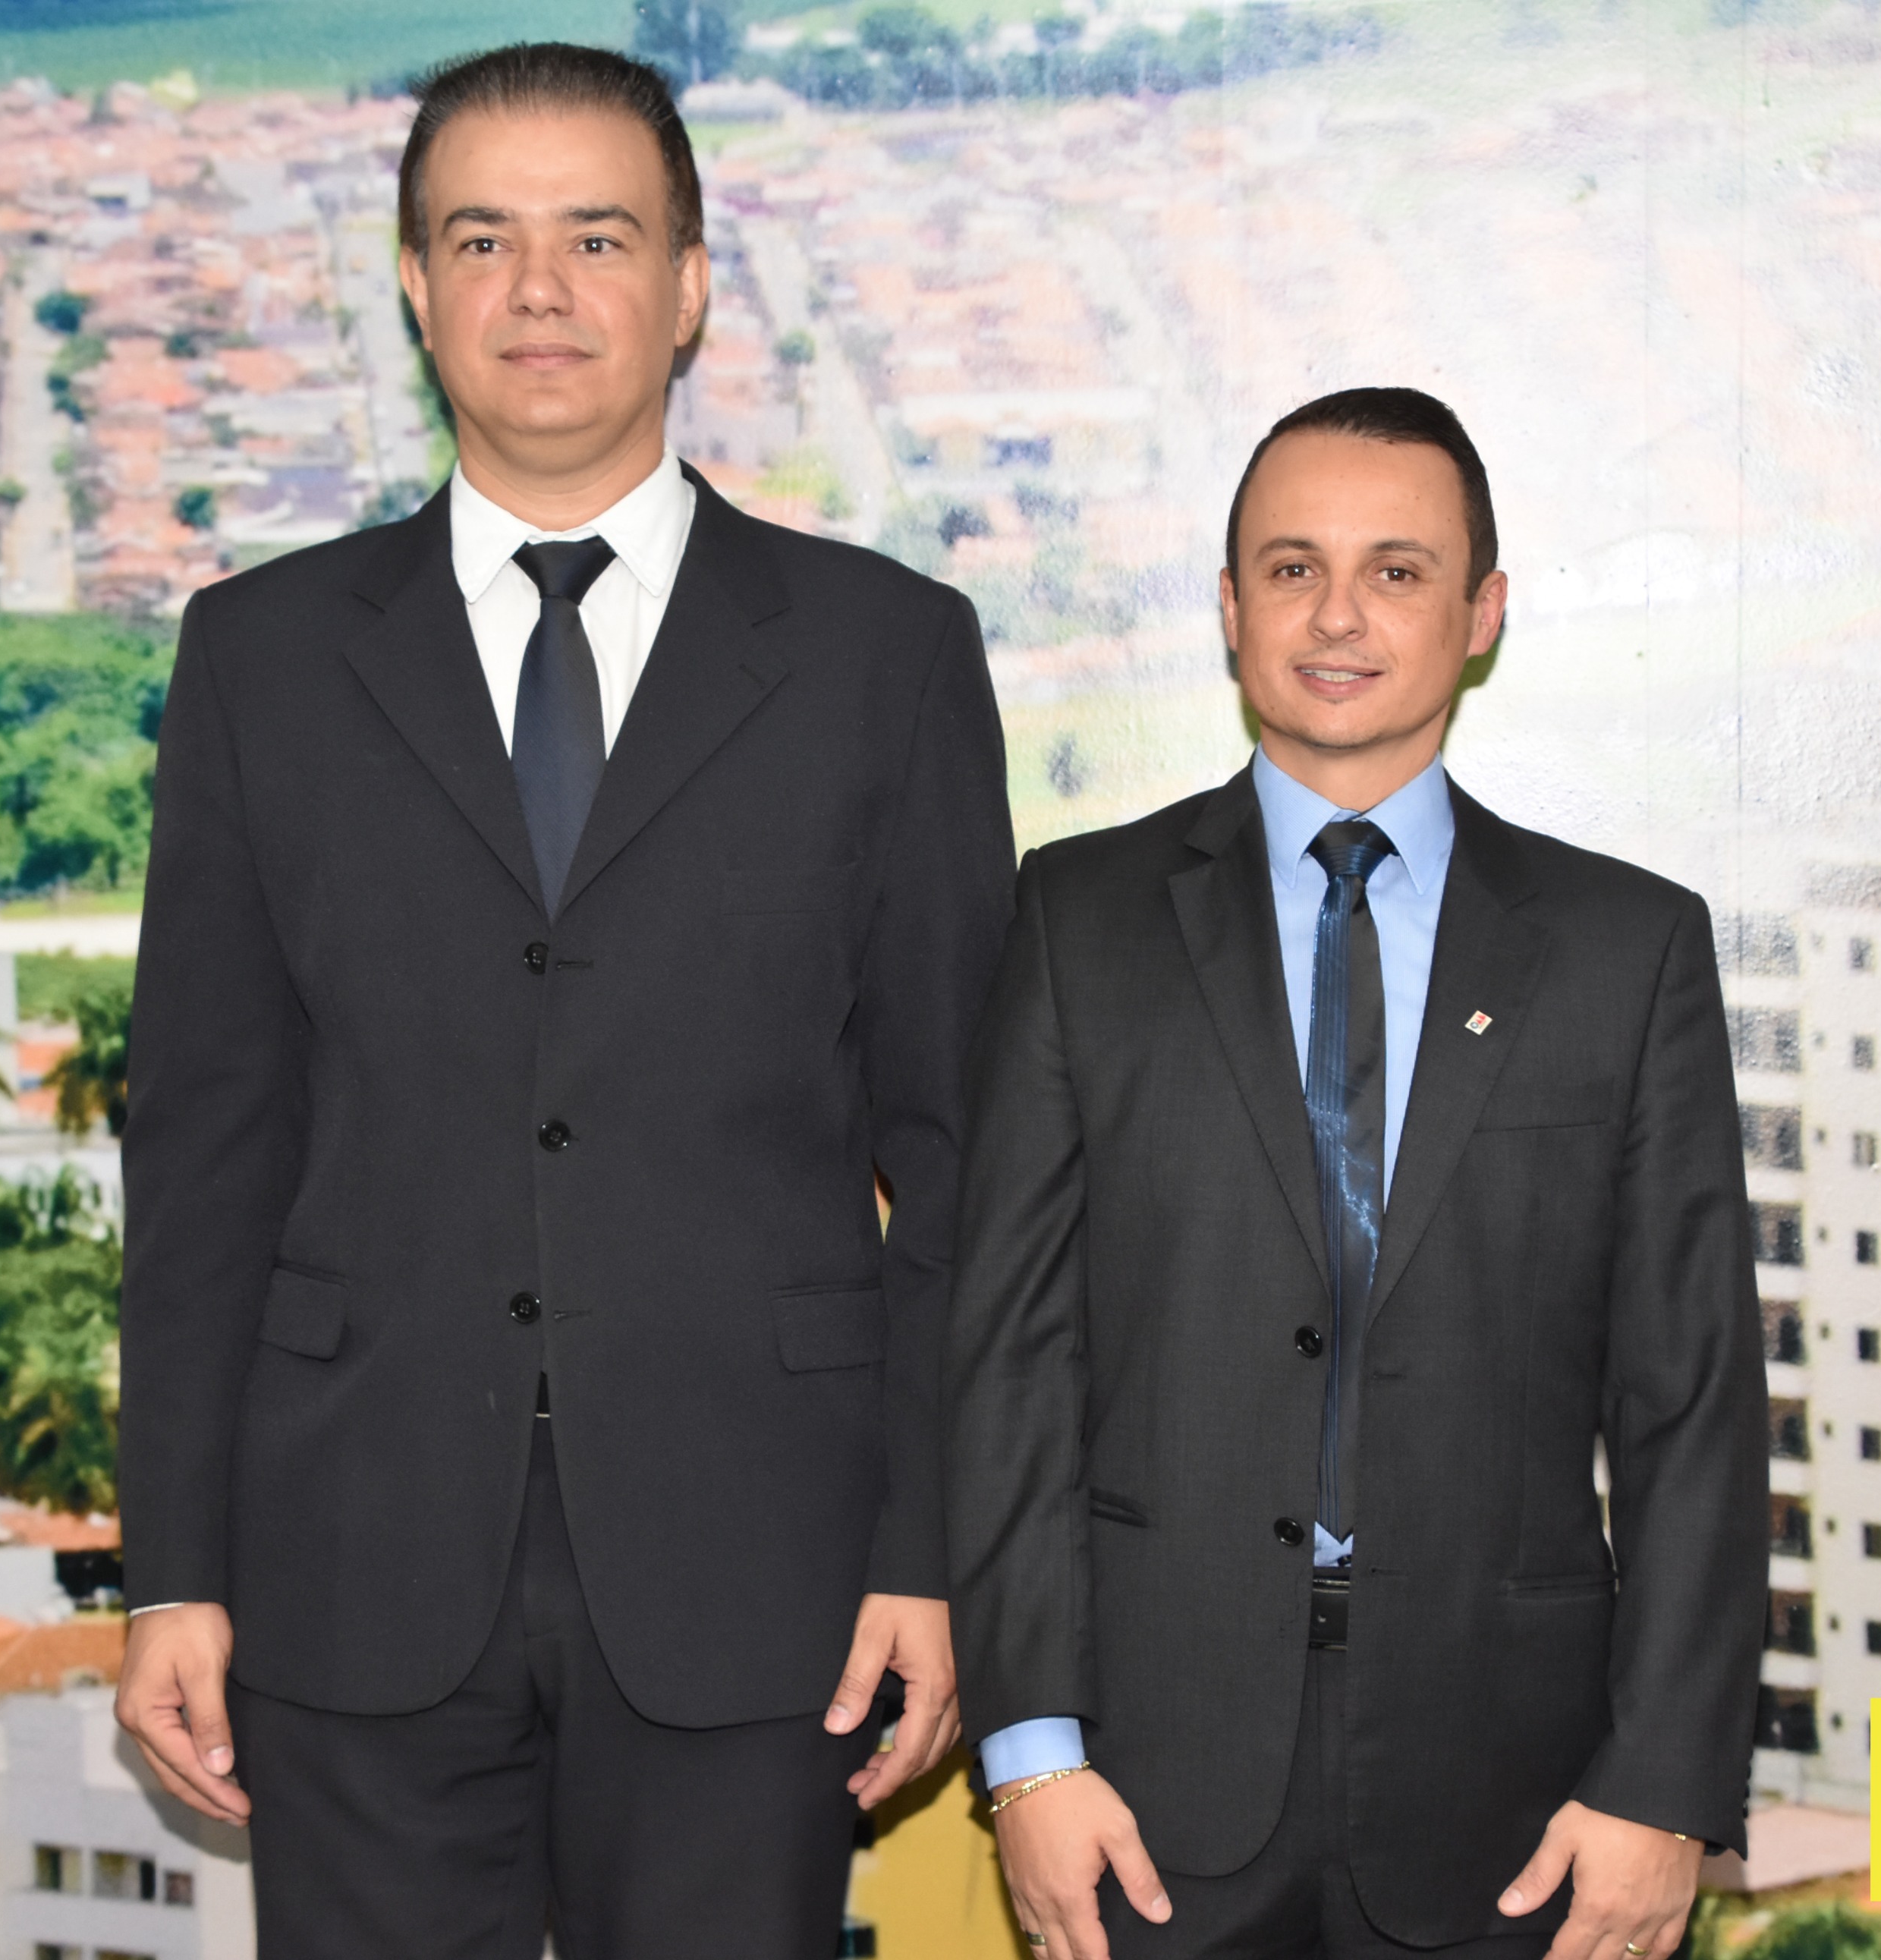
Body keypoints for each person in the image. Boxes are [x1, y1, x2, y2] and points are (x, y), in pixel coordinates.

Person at [112, 43, 1014, 1958]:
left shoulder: (885, 656)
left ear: (688, 287)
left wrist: (930, 1550)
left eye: (597, 238)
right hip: (346, 1554)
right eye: (482, 239)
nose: (539, 290)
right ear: (415, 285)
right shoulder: (262, 656)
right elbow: (203, 1147)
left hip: (759, 1566)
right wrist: (168, 1566)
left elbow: (963, 1164)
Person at [944, 387, 1768, 1960]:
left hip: (1522, 1800)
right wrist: (1031, 1755)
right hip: (1142, 1783)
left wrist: (1663, 1782)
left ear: (1482, 614)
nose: (1337, 615)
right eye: (1292, 568)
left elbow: (1692, 1399)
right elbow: (1011, 1365)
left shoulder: (1627, 948)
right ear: (1229, 607)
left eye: (1396, 570)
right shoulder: (1078, 920)